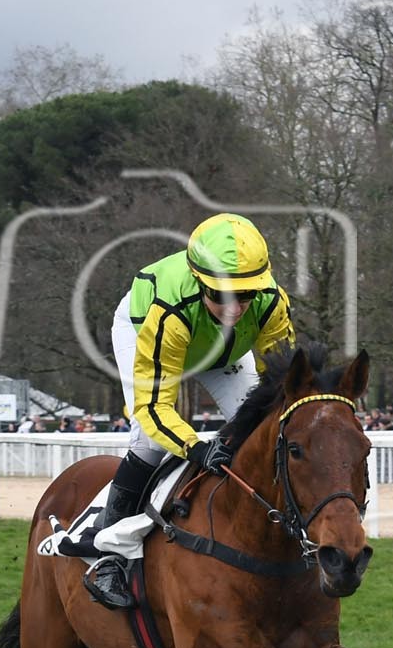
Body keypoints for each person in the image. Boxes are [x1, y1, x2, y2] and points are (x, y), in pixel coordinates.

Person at [85, 213, 296, 609]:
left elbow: (284, 385)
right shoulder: (169, 312)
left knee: (267, 428)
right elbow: (154, 408)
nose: (235, 307)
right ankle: (108, 553)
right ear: (200, 282)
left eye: (245, 294)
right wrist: (195, 448)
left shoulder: (271, 302)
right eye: (222, 295)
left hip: (223, 350)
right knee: (149, 442)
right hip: (148, 330)